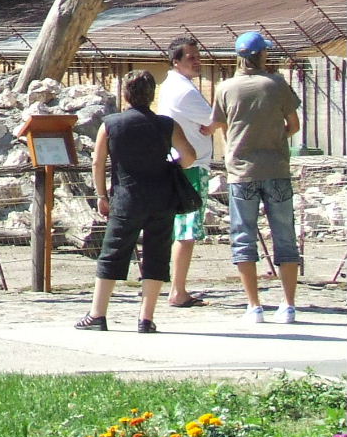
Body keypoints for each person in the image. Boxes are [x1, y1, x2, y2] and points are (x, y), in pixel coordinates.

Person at [76, 69, 196, 333]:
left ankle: (97, 314)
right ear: (152, 95)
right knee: (156, 256)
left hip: (126, 198)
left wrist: (101, 195)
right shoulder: (167, 124)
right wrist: (170, 164)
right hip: (161, 197)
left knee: (112, 255)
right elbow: (188, 157)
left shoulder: (111, 124)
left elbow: (98, 162)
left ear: (125, 94)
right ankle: (146, 318)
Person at [210, 31, 302, 324]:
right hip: (275, 169)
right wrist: (276, 136)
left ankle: (254, 305)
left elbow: (219, 125)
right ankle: (288, 304)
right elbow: (294, 124)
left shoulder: (225, 88)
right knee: (285, 236)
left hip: (241, 172)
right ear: (261, 55)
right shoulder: (276, 84)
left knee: (242, 237)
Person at [156, 36, 216, 307]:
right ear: (176, 61)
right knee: (187, 230)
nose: (196, 61)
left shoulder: (172, 85)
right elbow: (215, 118)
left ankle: (166, 284)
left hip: (178, 163)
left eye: (197, 56)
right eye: (190, 57)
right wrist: (214, 126)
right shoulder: (185, 91)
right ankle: (178, 290)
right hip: (192, 165)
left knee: (173, 229)